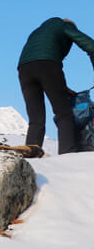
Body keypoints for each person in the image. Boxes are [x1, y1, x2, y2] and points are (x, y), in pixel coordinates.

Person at [17, 17, 94, 153]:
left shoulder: (37, 32)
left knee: (36, 119)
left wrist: (63, 88)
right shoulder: (64, 25)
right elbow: (91, 47)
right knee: (63, 113)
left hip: (24, 69)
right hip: (48, 64)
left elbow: (38, 64)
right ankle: (67, 153)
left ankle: (31, 154)